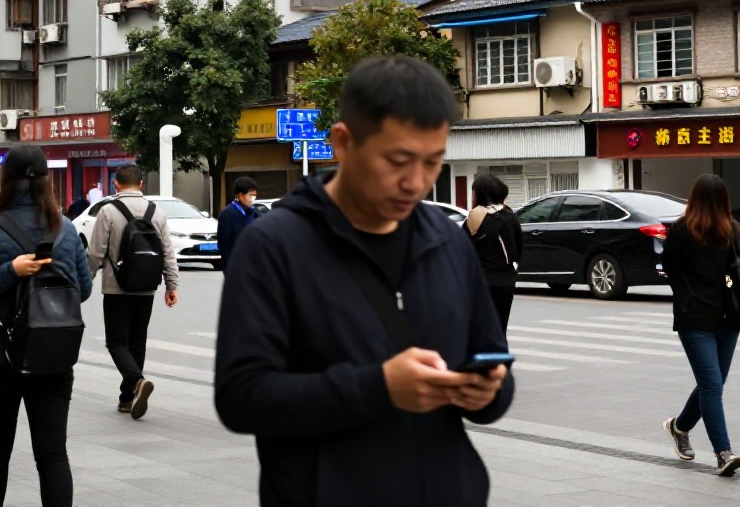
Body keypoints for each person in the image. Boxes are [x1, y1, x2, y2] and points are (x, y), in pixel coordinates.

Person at [214, 57, 514, 506]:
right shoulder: (274, 246)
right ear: (343, 142)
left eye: (433, 162)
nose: (416, 181)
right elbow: (241, 397)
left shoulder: (447, 243)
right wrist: (378, 386)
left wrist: (488, 391)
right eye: (397, 160)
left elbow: (491, 358)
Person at [0, 146, 93, 507]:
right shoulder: (64, 228)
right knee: (52, 454)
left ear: (5, 180)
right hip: (54, 356)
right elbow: (84, 290)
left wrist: (10, 272)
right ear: (47, 180)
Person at [661, 174, 740, 477]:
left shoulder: (733, 231)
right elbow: (673, 271)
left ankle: (679, 427)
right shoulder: (681, 232)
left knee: (711, 384)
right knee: (712, 385)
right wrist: (690, 297)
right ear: (723, 200)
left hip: (728, 318)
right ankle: (723, 452)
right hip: (695, 320)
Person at [85, 164, 178, 419]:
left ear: (116, 184)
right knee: (137, 343)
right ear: (142, 185)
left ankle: (136, 382)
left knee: (116, 342)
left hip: (116, 288)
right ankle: (127, 399)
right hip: (146, 287)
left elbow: (96, 252)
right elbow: (168, 252)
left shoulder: (107, 211)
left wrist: (86, 279)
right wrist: (171, 285)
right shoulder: (156, 212)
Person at [465, 174, 522, 333]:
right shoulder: (510, 215)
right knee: (499, 331)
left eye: (474, 192)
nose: (472, 196)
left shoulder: (476, 216)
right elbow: (519, 250)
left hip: (482, 283)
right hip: (506, 282)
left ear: (481, 194)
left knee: (481, 333)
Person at [216, 177, 263, 272]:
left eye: (254, 196)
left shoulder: (254, 213)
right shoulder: (227, 214)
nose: (253, 199)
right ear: (240, 195)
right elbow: (225, 246)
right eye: (250, 196)